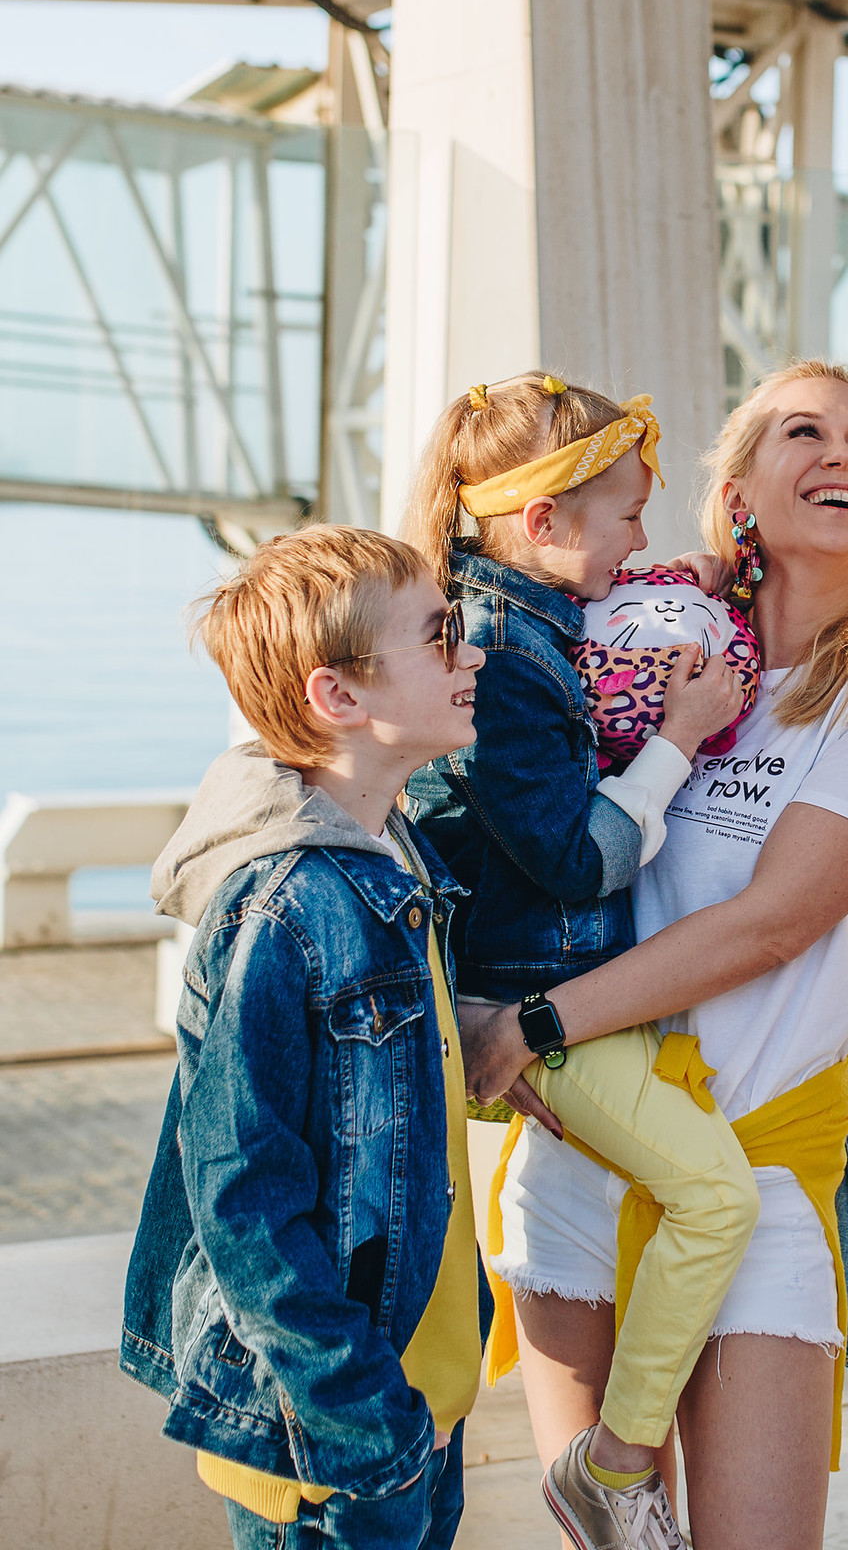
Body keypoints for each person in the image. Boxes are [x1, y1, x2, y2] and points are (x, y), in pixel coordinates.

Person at [456, 360, 848, 1550]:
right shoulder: (628, 647)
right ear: (735, 489)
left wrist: (528, 1028)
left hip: (757, 1167)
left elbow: (773, 924)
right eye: (804, 431)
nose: (844, 452)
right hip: (577, 1153)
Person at [402, 373, 760, 1550]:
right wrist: (680, 739)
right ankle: (611, 1466)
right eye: (627, 518)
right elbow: (576, 856)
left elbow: (641, 591)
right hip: (539, 1000)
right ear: (545, 524)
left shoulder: (525, 614)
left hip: (563, 991)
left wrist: (698, 580)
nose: (646, 542)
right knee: (714, 1196)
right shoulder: (504, 658)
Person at [120, 525, 489, 1550]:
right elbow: (241, 1194)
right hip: (333, 1442)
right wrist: (366, 1421)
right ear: (341, 698)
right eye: (441, 633)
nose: (474, 652)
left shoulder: (393, 855)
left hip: (416, 1407)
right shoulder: (282, 907)